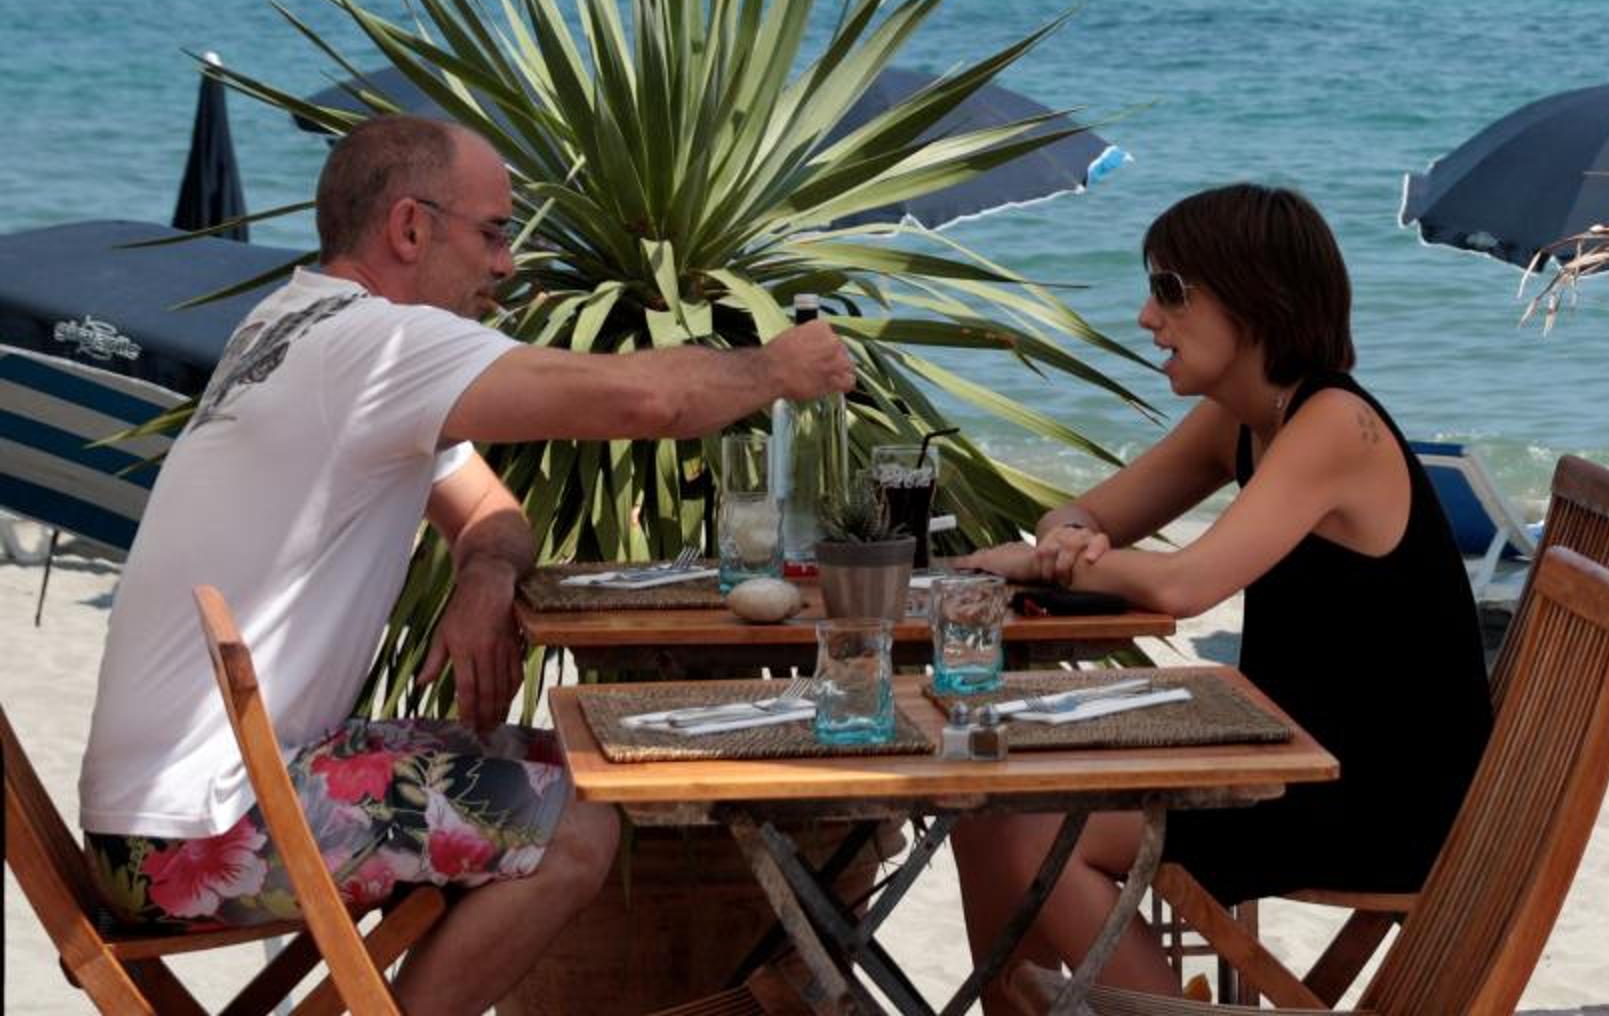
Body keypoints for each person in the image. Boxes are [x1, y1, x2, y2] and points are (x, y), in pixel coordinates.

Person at [77, 114, 855, 1016]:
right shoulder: (377, 348)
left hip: (183, 804)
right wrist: (775, 367)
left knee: (583, 768)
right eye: (491, 233)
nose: (508, 264)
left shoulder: (299, 328)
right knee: (578, 824)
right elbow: (645, 400)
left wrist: (483, 577)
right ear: (410, 228)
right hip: (193, 833)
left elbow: (491, 512)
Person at [947, 184, 1492, 996]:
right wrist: (1066, 540)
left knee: (1035, 832)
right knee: (986, 814)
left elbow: (1185, 584)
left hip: (1375, 797)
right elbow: (1088, 513)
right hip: (1281, 760)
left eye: (1171, 291)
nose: (1147, 317)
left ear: (1256, 300)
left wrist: (1046, 563)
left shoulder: (1333, 425)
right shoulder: (1242, 418)